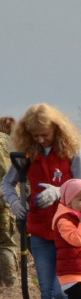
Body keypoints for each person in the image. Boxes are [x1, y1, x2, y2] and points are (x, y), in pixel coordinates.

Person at [1, 104, 81, 299]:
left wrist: (59, 191)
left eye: (45, 135)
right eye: (35, 136)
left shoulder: (73, 151)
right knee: (48, 295)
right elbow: (6, 184)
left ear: (57, 129)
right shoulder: (29, 153)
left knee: (62, 294)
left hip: (68, 232)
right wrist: (14, 204)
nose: (40, 139)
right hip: (39, 231)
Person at [0, 116, 17, 287]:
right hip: (5, 200)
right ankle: (11, 286)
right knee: (7, 244)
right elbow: (10, 175)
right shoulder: (9, 146)